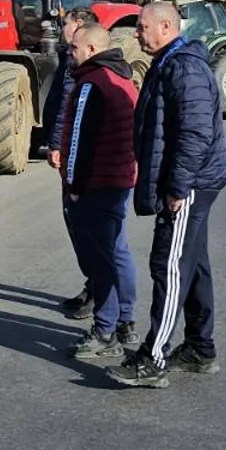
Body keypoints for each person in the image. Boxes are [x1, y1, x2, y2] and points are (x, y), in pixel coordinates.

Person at [109, 0, 226, 389]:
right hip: (191, 181)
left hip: (188, 184)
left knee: (170, 265)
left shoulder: (184, 67)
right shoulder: (169, 63)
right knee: (193, 264)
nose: (137, 33)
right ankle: (199, 348)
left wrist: (178, 187)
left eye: (142, 27)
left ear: (165, 26)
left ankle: (153, 358)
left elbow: (195, 133)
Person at [57, 23, 141, 361]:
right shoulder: (123, 79)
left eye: (74, 48)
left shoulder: (91, 84)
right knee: (118, 252)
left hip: (97, 185)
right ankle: (126, 319)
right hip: (120, 181)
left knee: (101, 258)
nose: (69, 52)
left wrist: (74, 187)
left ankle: (105, 330)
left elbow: (79, 143)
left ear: (91, 50)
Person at [46, 5, 101, 318]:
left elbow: (69, 104)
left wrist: (56, 144)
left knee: (84, 222)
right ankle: (92, 284)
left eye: (64, 23)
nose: (61, 27)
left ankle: (100, 294)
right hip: (67, 149)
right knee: (74, 218)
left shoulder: (81, 64)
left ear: (79, 24)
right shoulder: (68, 57)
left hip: (74, 152)